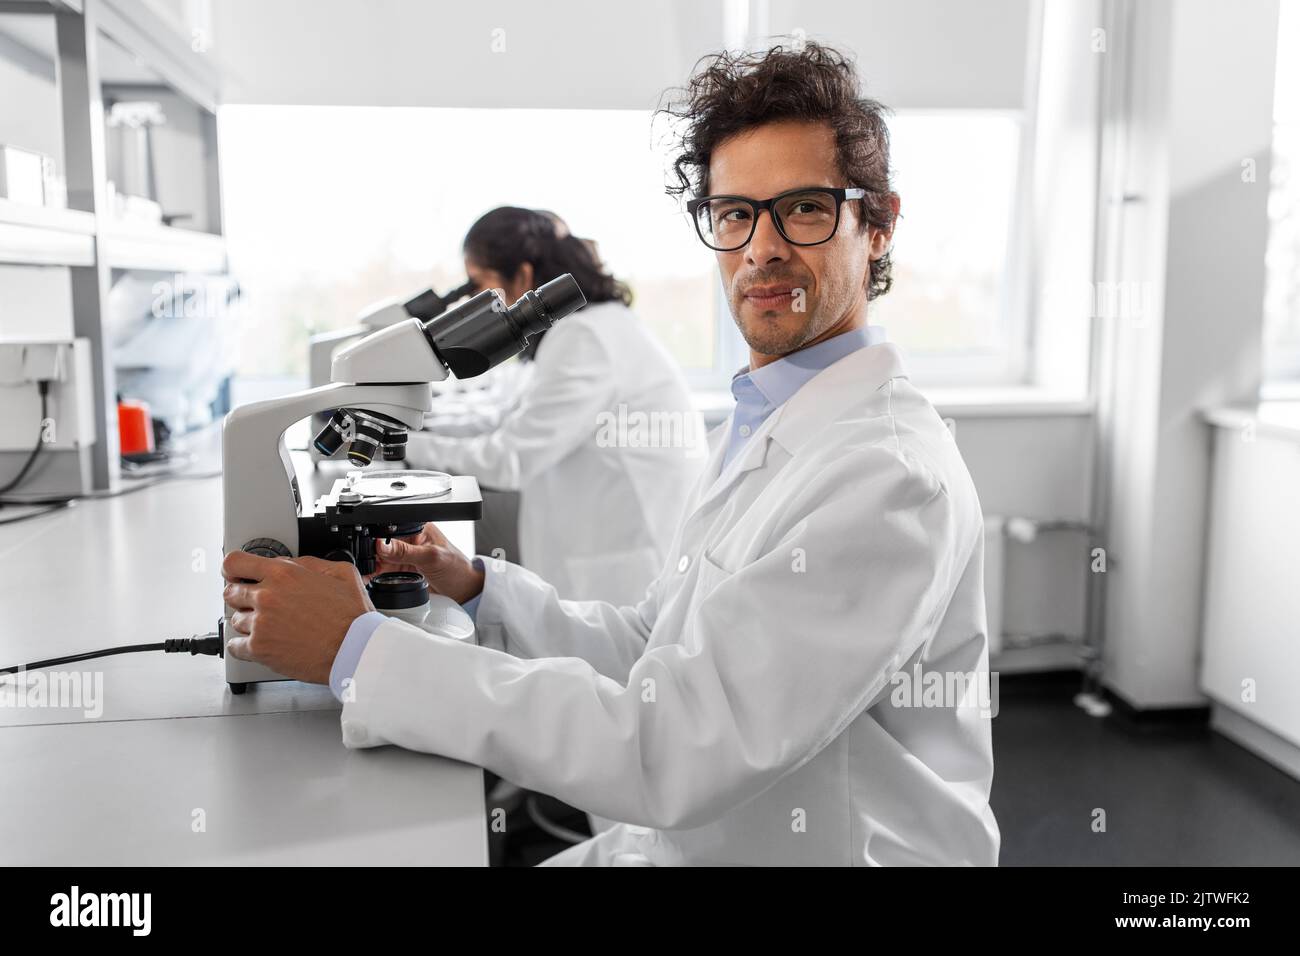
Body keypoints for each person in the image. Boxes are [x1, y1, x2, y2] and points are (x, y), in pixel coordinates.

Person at [223, 41, 1001, 866]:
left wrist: (359, 650)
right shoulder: (768, 420)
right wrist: (486, 592)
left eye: (803, 209)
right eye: (735, 213)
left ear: (876, 225)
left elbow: (673, 745)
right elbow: (656, 647)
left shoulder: (887, 478)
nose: (760, 248)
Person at [400, 207, 705, 606]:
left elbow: (511, 458)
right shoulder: (586, 327)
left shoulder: (586, 337)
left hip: (625, 565)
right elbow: (503, 416)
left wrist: (403, 445)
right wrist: (416, 426)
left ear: (524, 277)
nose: (474, 300)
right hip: (607, 544)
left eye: (479, 285)